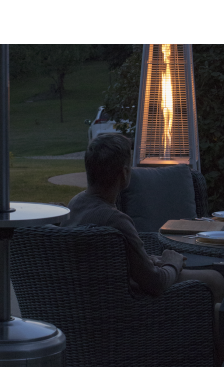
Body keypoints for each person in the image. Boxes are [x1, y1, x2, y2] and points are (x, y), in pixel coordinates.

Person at [60, 133, 224, 361]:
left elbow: (119, 261)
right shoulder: (115, 220)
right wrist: (172, 263)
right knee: (216, 280)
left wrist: (151, 260)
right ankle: (214, 359)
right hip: (130, 308)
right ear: (124, 174)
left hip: (100, 303)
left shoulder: (76, 204)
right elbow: (155, 283)